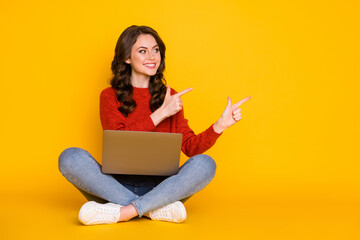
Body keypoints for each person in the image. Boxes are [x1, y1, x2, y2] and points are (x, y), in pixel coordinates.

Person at [58, 25, 251, 225]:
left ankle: (124, 211)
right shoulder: (109, 96)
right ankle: (153, 209)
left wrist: (220, 125)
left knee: (206, 164)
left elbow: (191, 148)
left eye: (156, 50)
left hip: (163, 187)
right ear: (126, 58)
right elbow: (121, 142)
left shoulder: (170, 96)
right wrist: (162, 113)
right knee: (70, 157)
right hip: (113, 185)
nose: (152, 57)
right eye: (143, 51)